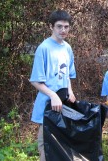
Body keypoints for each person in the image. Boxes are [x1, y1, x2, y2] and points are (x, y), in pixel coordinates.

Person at [29, 10, 76, 161]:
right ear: (51, 27)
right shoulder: (44, 48)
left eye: (66, 27)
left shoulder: (67, 48)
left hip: (63, 102)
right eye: (59, 26)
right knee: (46, 144)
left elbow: (68, 74)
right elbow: (35, 80)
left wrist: (70, 91)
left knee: (61, 142)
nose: (63, 30)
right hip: (48, 104)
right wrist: (53, 95)